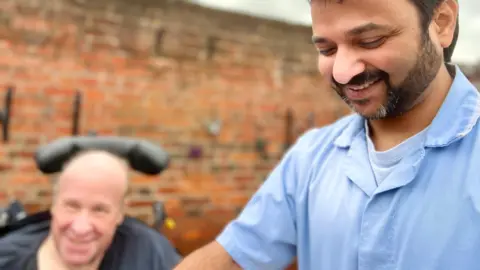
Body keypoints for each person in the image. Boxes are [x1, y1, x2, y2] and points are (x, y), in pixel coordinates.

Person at [174, 0, 480, 269]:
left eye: (370, 41)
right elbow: (236, 256)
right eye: (326, 49)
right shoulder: (310, 157)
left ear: (442, 23)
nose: (342, 72)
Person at [0, 150, 181, 270]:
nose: (80, 228)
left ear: (120, 214)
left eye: (99, 210)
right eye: (71, 206)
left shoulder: (151, 255)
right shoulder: (7, 258)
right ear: (54, 205)